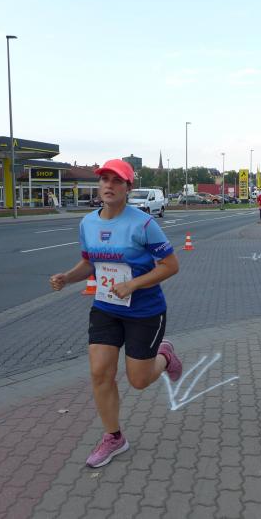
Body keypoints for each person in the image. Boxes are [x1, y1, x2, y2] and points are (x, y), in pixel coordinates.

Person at [49, 159, 183, 468]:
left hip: (145, 311)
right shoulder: (88, 224)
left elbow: (170, 266)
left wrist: (133, 284)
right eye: (104, 179)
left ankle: (165, 356)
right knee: (100, 372)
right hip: (106, 308)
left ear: (128, 188)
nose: (109, 185)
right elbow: (89, 263)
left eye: (117, 181)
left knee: (138, 380)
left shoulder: (144, 224)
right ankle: (114, 437)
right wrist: (67, 277)